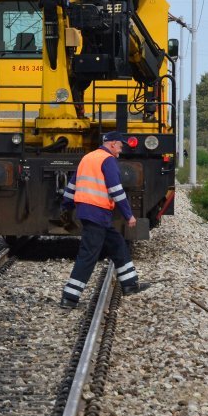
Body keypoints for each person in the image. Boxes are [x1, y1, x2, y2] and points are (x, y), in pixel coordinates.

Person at [60, 131, 150, 309]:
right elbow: (116, 190)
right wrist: (128, 215)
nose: (121, 149)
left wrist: (66, 206)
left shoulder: (88, 158)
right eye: (120, 145)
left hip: (90, 213)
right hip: (97, 213)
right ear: (112, 144)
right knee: (88, 255)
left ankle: (130, 284)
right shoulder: (108, 160)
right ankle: (69, 297)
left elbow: (72, 184)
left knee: (117, 244)